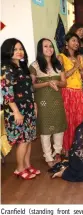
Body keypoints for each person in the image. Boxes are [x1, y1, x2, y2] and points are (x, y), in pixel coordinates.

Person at [1, 38, 38, 179]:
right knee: (22, 140)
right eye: (15, 49)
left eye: (20, 48)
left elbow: (28, 89)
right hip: (16, 109)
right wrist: (16, 112)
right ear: (7, 51)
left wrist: (33, 104)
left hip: (27, 107)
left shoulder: (22, 67)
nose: (19, 51)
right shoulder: (6, 68)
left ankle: (27, 165)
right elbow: (7, 93)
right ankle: (19, 168)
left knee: (28, 138)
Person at [30, 38, 67, 167]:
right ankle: (48, 156)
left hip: (57, 101)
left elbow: (64, 83)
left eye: (51, 46)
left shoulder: (58, 64)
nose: (49, 49)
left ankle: (57, 153)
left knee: (58, 127)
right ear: (40, 49)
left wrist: (57, 82)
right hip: (43, 102)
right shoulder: (35, 66)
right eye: (45, 46)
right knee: (45, 129)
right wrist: (46, 83)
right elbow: (32, 85)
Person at [58, 33, 83, 154]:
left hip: (79, 92)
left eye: (77, 41)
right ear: (66, 42)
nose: (76, 43)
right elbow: (62, 76)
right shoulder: (60, 57)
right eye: (73, 40)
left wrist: (82, 69)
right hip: (67, 92)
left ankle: (78, 147)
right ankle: (66, 148)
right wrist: (75, 67)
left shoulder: (81, 57)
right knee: (68, 121)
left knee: (80, 120)